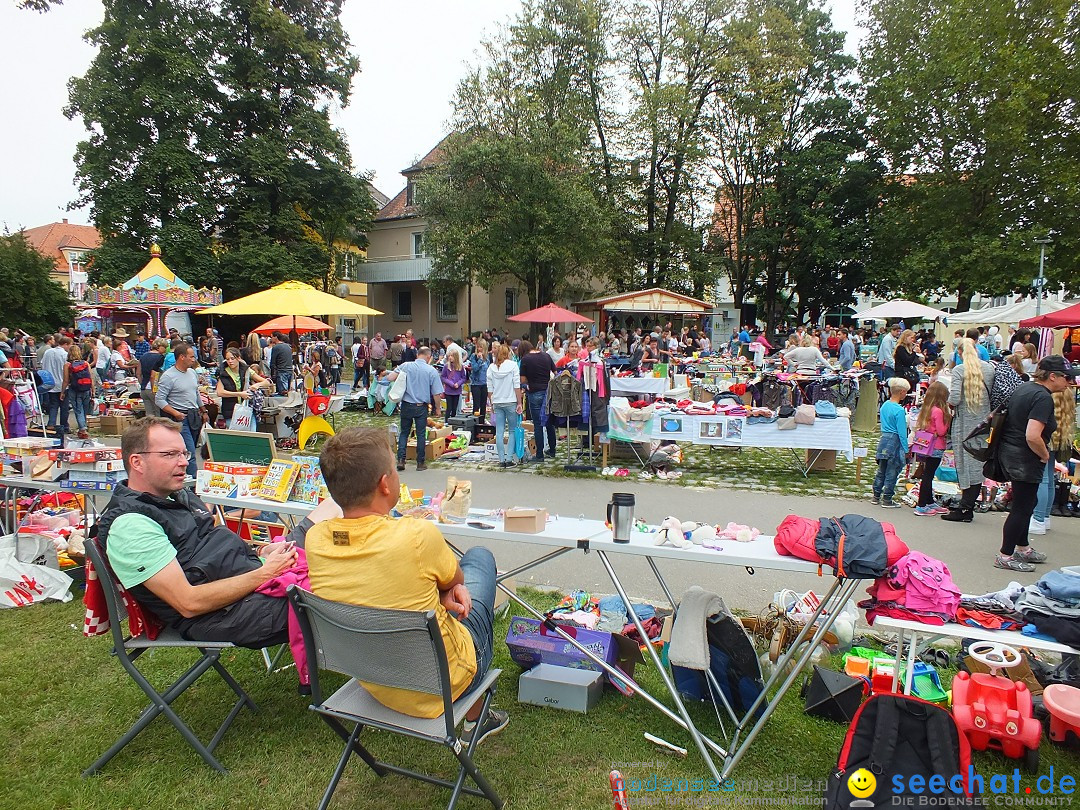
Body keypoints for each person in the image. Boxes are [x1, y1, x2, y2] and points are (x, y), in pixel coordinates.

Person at [306, 428, 507, 738]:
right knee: (479, 558)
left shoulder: (316, 539)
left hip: (375, 678)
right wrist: (447, 589)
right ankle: (476, 717)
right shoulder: (415, 536)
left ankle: (475, 710)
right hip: (445, 681)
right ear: (385, 484)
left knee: (440, 596)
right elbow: (456, 578)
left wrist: (441, 594)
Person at [97, 418, 339, 658]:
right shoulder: (130, 525)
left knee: (336, 503)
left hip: (253, 577)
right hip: (227, 613)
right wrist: (266, 573)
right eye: (170, 454)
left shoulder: (176, 496)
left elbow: (211, 551)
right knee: (350, 582)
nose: (184, 463)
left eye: (184, 453)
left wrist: (260, 554)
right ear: (137, 462)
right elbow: (188, 603)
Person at [993, 356, 1074, 571]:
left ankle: (1022, 547)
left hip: (1011, 452)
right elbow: (1032, 435)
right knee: (1022, 507)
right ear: (1052, 376)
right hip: (1024, 457)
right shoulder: (1042, 397)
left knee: (1025, 505)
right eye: (1067, 377)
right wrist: (1045, 455)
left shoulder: (1025, 388)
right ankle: (1005, 554)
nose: (1070, 382)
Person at [942, 339, 995, 523]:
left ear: (960, 353)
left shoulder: (959, 370)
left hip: (964, 421)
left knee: (964, 462)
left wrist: (949, 402)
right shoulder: (988, 369)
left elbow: (955, 398)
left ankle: (966, 507)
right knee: (977, 462)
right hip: (983, 421)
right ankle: (968, 504)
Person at [385, 346, 443, 471]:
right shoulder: (431, 370)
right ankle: (420, 462)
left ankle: (401, 460)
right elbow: (437, 393)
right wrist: (438, 408)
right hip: (421, 406)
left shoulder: (406, 365)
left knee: (404, 432)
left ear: (418, 355)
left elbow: (390, 378)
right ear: (428, 357)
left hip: (406, 404)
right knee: (421, 434)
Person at [155, 343, 208, 480]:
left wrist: (203, 409)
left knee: (191, 449)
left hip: (193, 415)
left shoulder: (191, 373)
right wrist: (175, 413)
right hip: (179, 417)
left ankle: (184, 478)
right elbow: (160, 400)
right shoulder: (168, 376)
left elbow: (195, 392)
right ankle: (194, 484)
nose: (194, 359)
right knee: (189, 451)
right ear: (181, 357)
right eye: (191, 357)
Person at [1031, 385, 1076, 532]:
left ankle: (1038, 519)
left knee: (1043, 479)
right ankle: (1044, 517)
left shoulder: (1047, 396)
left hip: (1046, 438)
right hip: (1059, 439)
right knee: (1049, 479)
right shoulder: (1068, 393)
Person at [912, 381, 951, 516]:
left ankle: (928, 501)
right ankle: (922, 505)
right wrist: (948, 422)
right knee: (928, 475)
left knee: (928, 474)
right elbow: (941, 431)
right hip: (936, 446)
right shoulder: (939, 411)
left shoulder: (927, 409)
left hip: (926, 446)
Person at [872, 377, 910, 509]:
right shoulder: (899, 410)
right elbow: (902, 432)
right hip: (894, 442)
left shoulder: (885, 406)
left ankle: (876, 495)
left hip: (884, 440)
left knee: (881, 470)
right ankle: (887, 498)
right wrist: (906, 449)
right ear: (902, 392)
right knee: (892, 471)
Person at [519, 340, 557, 461]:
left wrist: (526, 386)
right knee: (550, 422)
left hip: (534, 392)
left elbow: (523, 380)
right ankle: (552, 450)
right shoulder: (546, 355)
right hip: (548, 392)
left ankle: (539, 454)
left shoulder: (525, 360)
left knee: (538, 425)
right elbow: (555, 373)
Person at [486, 343, 523, 467]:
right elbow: (516, 386)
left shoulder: (491, 367)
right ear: (508, 353)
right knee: (512, 430)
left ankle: (501, 459)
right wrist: (519, 402)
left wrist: (491, 403)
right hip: (511, 401)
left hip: (497, 401)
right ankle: (509, 458)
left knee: (499, 430)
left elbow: (489, 388)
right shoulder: (513, 366)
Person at [216, 347, 271, 425]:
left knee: (251, 434)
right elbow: (220, 392)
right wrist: (240, 394)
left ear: (238, 358)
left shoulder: (247, 370)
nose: (230, 361)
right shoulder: (223, 373)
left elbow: (266, 382)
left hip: (247, 409)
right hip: (230, 410)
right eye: (227, 359)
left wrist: (257, 385)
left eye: (232, 358)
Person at [60, 344, 94, 439]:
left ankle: (83, 429)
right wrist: (93, 390)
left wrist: (62, 392)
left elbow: (66, 380)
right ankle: (82, 427)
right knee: (85, 409)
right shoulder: (86, 364)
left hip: (74, 389)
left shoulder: (68, 365)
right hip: (86, 388)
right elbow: (91, 378)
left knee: (78, 409)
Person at [41, 335, 71, 435]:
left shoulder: (48, 352)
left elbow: (43, 365)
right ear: (65, 344)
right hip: (62, 382)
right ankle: (64, 426)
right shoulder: (64, 355)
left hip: (50, 382)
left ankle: (51, 423)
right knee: (64, 407)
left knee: (53, 405)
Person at [138, 338, 169, 417]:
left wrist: (142, 384)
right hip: (154, 388)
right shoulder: (160, 357)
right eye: (164, 347)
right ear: (159, 347)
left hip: (144, 388)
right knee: (158, 414)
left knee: (149, 415)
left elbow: (138, 373)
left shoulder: (143, 356)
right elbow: (153, 376)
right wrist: (154, 389)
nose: (165, 350)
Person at [468, 338, 491, 423]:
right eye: (478, 347)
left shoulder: (488, 358)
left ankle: (482, 422)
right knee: (476, 405)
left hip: (485, 384)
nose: (479, 349)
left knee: (483, 405)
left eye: (481, 347)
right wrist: (480, 360)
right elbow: (475, 368)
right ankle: (475, 422)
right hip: (476, 384)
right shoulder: (474, 357)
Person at [440, 348, 466, 418]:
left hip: (457, 391)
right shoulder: (446, 366)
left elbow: (463, 377)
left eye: (452, 356)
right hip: (449, 391)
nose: (450, 357)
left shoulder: (460, 366)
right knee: (449, 408)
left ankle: (453, 422)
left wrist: (458, 383)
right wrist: (451, 384)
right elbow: (443, 377)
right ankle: (447, 422)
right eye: (449, 356)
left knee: (455, 408)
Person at [268, 331, 293, 395]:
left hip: (281, 372)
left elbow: (273, 362)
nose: (271, 339)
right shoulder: (288, 347)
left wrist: (272, 374)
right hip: (289, 371)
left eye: (272, 337)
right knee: (288, 392)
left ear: (276, 337)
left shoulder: (276, 348)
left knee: (282, 393)